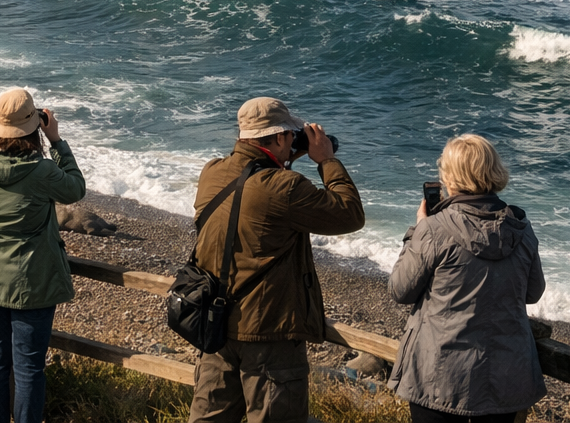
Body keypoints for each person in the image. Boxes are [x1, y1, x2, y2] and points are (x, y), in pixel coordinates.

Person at [188, 97, 366, 423]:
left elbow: (253, 190)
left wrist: (282, 159)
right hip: (269, 335)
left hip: (215, 325)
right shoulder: (285, 187)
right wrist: (325, 160)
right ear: (282, 137)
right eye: (290, 136)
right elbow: (350, 214)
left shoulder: (211, 172)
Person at [387, 135, 546, 423]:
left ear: (450, 176)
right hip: (506, 376)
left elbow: (400, 289)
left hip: (440, 377)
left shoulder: (434, 229)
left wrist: (417, 232)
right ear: (493, 171)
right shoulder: (521, 227)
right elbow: (533, 293)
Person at [0, 88, 86, 423]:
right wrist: (56, 141)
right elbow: (75, 188)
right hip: (31, 282)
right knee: (29, 368)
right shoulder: (41, 171)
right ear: (34, 126)